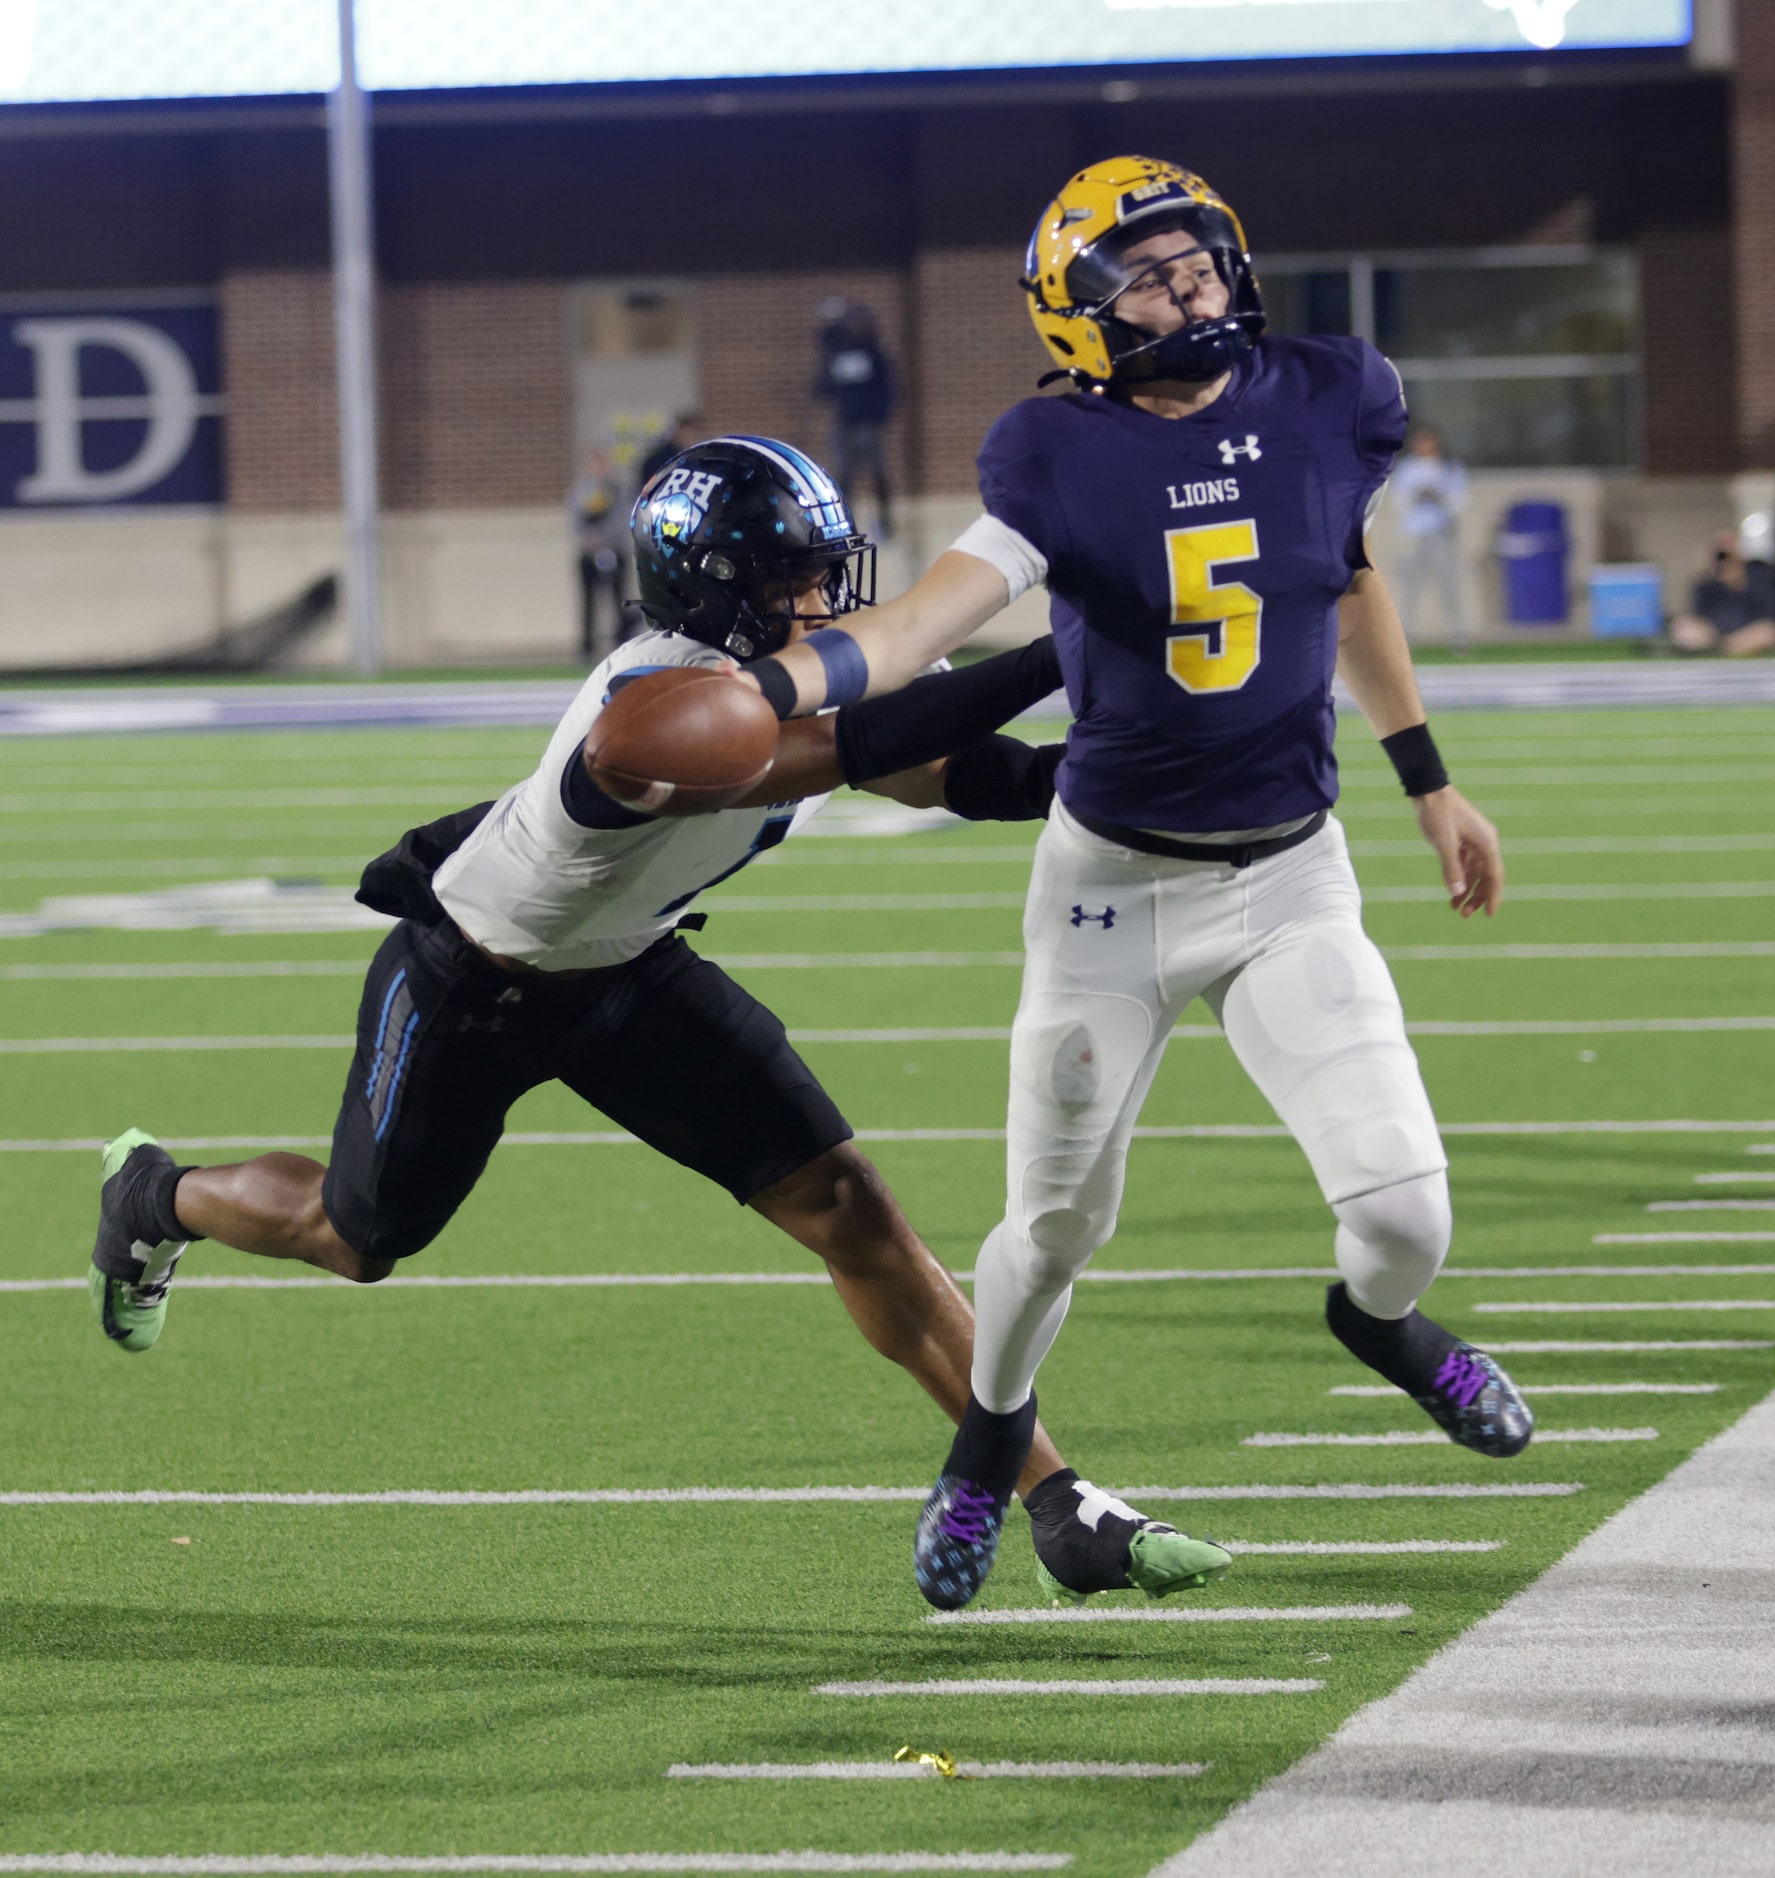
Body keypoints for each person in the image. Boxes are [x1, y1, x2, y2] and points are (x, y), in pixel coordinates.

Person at [86, 434, 1228, 1614]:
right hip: (473, 989)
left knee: (853, 1209)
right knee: (355, 1236)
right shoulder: (655, 710)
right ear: (708, 594)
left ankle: (1054, 1502)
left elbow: (934, 769)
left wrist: (1097, 778)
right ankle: (158, 1196)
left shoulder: (768, 678)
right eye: (786, 583)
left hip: (630, 977)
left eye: (821, 574)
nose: (817, 604)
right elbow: (844, 748)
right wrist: (1072, 648)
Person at [729, 156, 1528, 1611]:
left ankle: (1383, 1324)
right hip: (1111, 894)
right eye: (1146, 276)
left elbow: (1345, 574)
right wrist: (785, 681)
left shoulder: (1328, 391)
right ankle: (984, 1449)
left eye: (1198, 262)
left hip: (1293, 878)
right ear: (1081, 312)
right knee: (1052, 1227)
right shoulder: (1054, 449)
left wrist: (1427, 776)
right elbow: (923, 624)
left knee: (1409, 1212)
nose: (1187, 290)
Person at [814, 299, 897, 539]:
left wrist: (880, 418)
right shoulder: (836, 354)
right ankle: (842, 524)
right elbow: (823, 388)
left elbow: (887, 389)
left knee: (877, 473)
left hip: (868, 423)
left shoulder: (874, 354)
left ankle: (885, 522)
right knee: (844, 475)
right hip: (844, 423)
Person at [1388, 426, 1470, 651]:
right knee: (1408, 587)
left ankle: (1458, 637)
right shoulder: (1406, 469)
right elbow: (1398, 501)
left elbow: (1459, 502)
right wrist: (1417, 496)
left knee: (1449, 585)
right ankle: (1405, 638)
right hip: (1413, 535)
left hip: (1440, 533)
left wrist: (1438, 497)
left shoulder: (1449, 468)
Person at [1666, 528, 1775, 656]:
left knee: (1770, 631)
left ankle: (1733, 646)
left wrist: (1738, 581)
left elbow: (1771, 613)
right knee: (1683, 627)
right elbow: (1697, 611)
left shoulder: (1757, 575)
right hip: (1714, 632)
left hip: (1749, 629)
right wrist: (1709, 575)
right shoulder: (1707, 580)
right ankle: (1727, 647)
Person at [568, 448, 628, 661]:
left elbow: (620, 517)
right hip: (588, 553)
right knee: (588, 601)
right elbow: (573, 519)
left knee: (617, 599)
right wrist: (588, 539)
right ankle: (587, 646)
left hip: (613, 550)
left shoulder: (617, 489)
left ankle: (621, 641)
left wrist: (603, 537)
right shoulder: (580, 490)